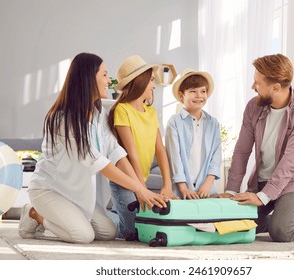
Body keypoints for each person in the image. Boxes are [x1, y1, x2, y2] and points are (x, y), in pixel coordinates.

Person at [18, 52, 166, 244]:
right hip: (49, 190)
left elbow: (116, 153)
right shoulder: (64, 119)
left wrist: (140, 188)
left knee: (108, 232)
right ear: (88, 78)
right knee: (83, 235)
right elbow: (98, 162)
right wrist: (138, 188)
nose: (108, 80)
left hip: (78, 194)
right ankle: (34, 214)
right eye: (104, 75)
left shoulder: (99, 114)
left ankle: (67, 216)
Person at [221, 53, 294, 242]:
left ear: (275, 87)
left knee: (281, 231)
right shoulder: (253, 107)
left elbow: (292, 160)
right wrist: (232, 191)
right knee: (235, 225)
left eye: (257, 83)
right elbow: (242, 150)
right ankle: (285, 218)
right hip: (262, 180)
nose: (253, 87)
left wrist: (264, 196)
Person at [107, 55, 175, 237]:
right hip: (125, 180)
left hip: (140, 180)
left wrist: (167, 184)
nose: (154, 85)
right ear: (140, 81)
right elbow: (131, 153)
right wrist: (140, 188)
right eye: (151, 80)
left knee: (147, 225)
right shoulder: (122, 110)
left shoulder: (151, 112)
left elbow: (160, 150)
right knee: (131, 233)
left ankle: (118, 210)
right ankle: (98, 217)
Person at [165, 69, 222, 199]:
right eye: (192, 91)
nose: (199, 96)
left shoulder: (213, 123)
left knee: (208, 218)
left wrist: (208, 183)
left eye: (203, 91)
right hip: (181, 189)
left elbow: (216, 156)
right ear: (181, 95)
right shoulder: (174, 122)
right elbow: (174, 157)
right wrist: (183, 187)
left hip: (207, 188)